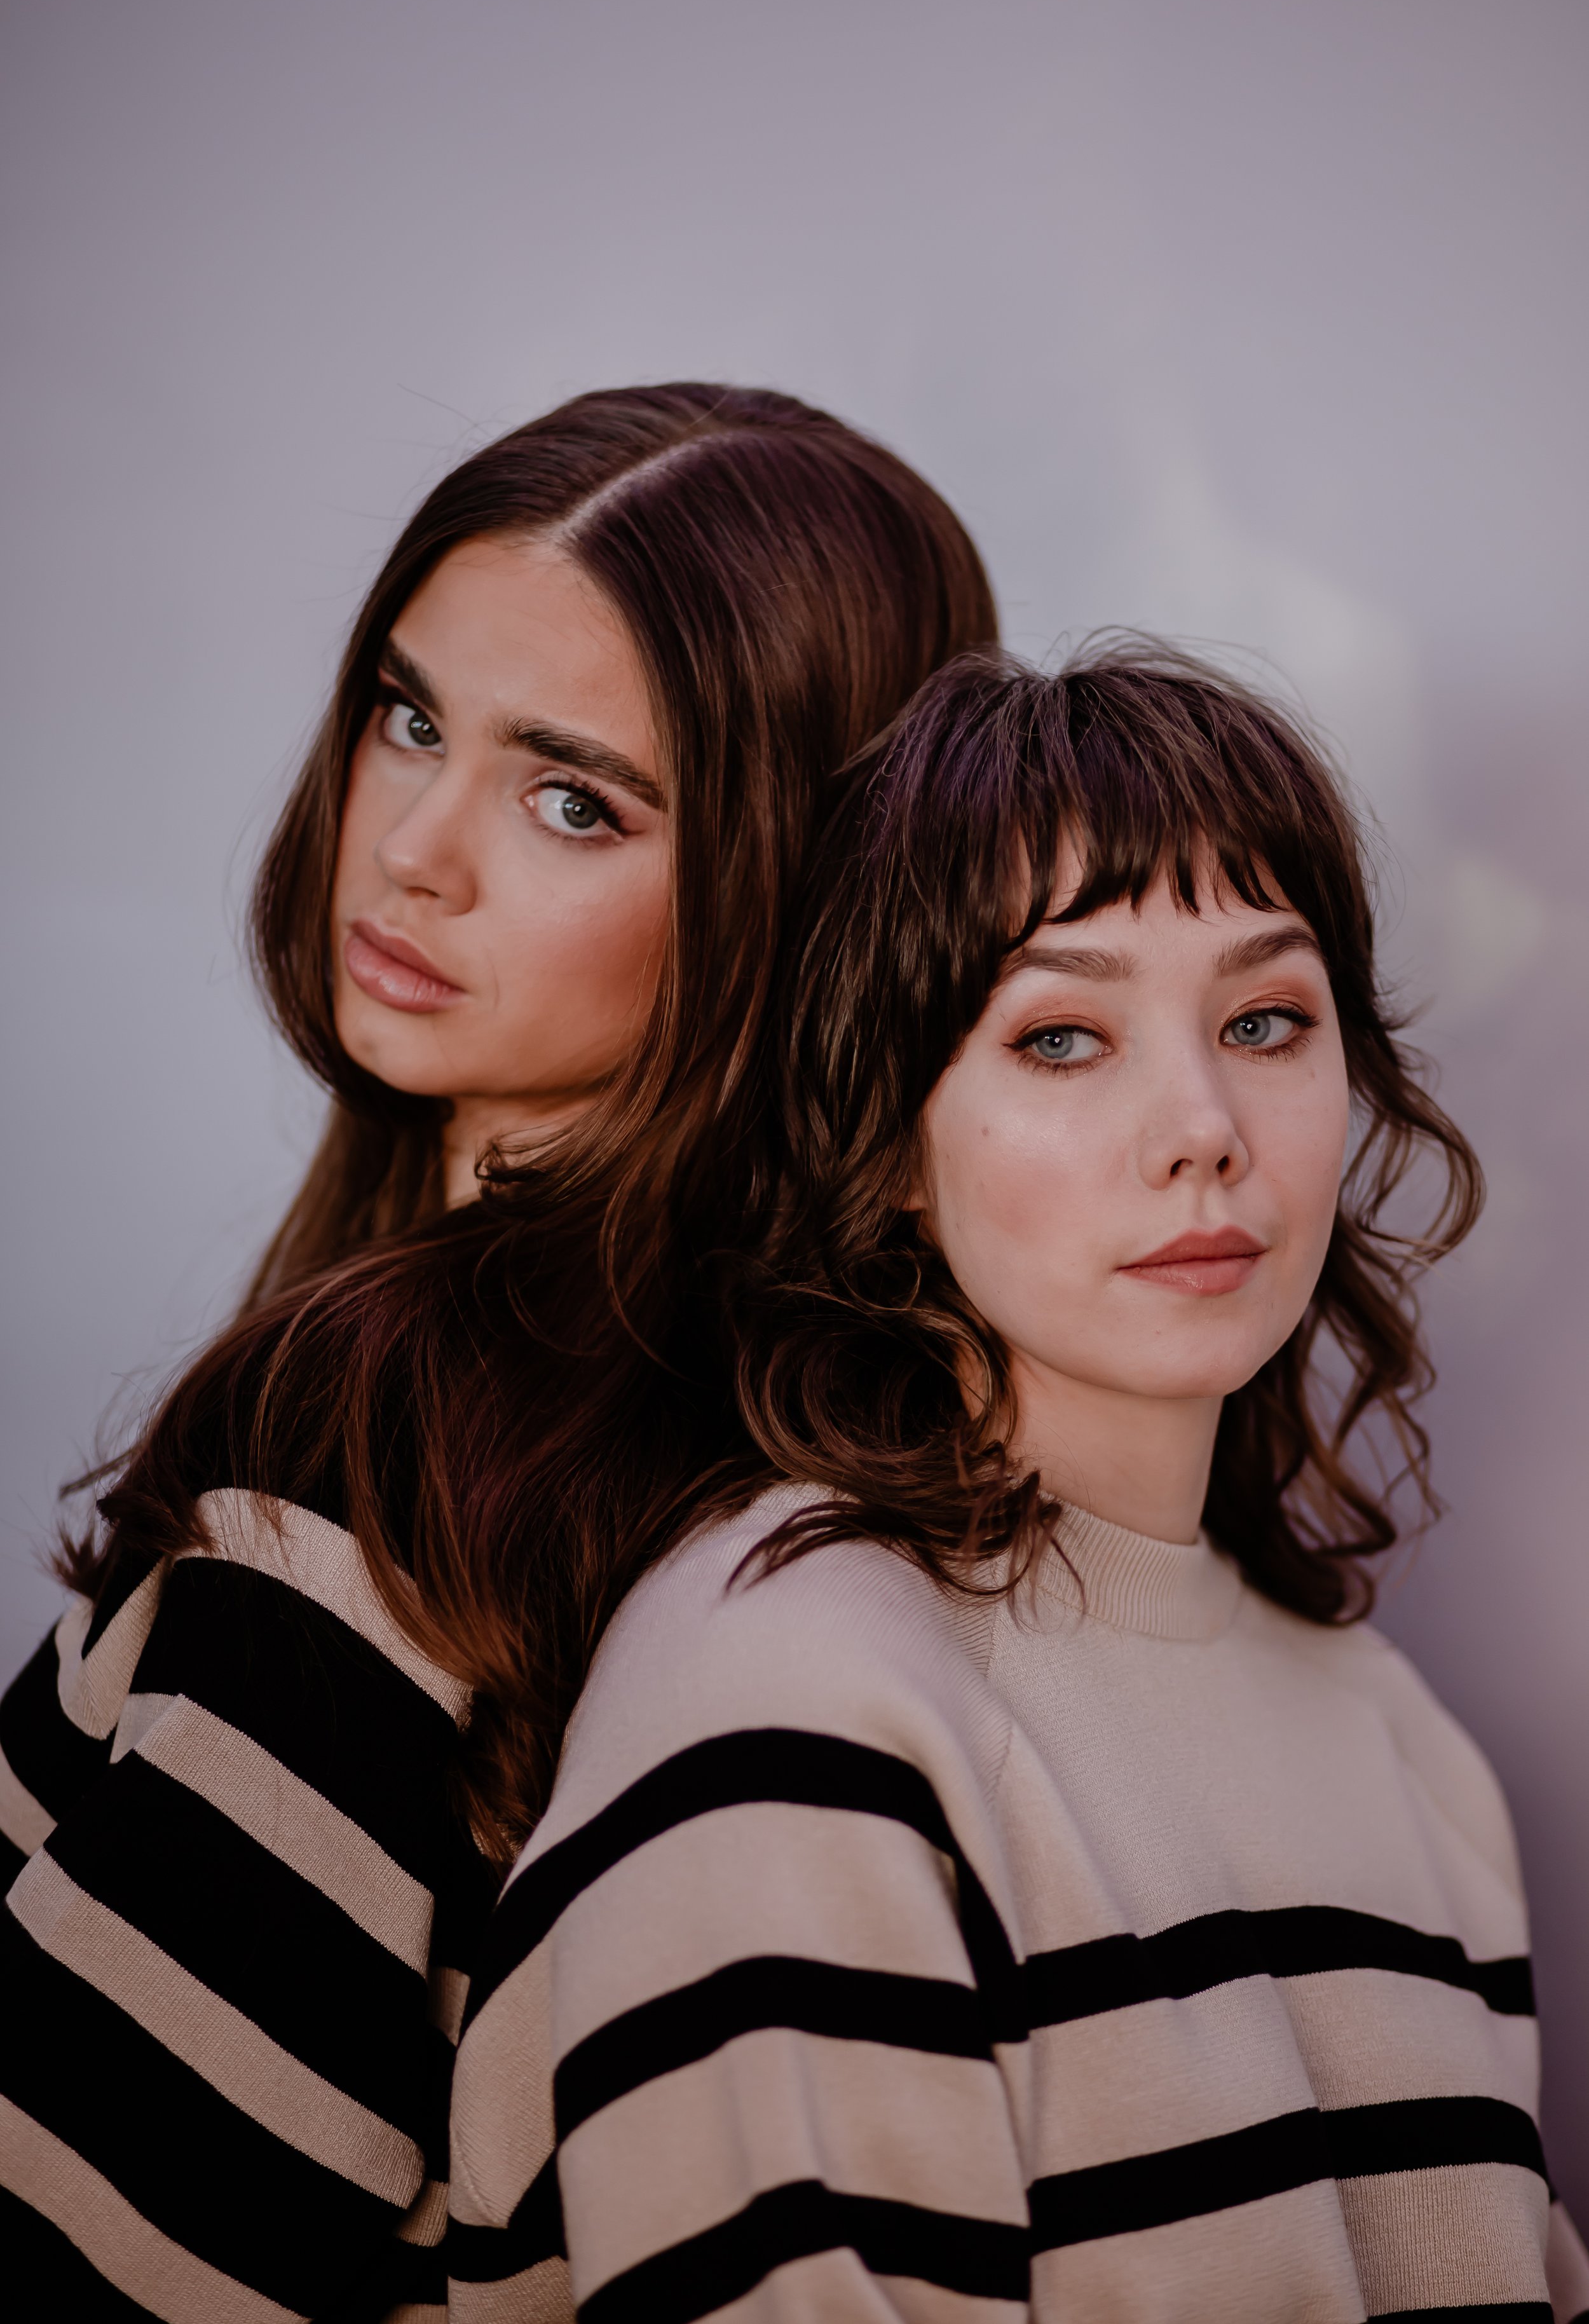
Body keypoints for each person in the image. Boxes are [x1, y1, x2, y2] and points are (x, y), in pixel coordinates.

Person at [0, 384, 999, 2320]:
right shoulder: (766, 1413)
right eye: (406, 716)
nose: (415, 852)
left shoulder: (394, 1425)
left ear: (790, 898)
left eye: (572, 800)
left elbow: (115, 2255)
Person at [449, 643, 1589, 2320]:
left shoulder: (1401, 1746)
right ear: (894, 1144)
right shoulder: (795, 1703)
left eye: (1265, 1020)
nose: (1200, 1123)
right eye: (1061, 1038)